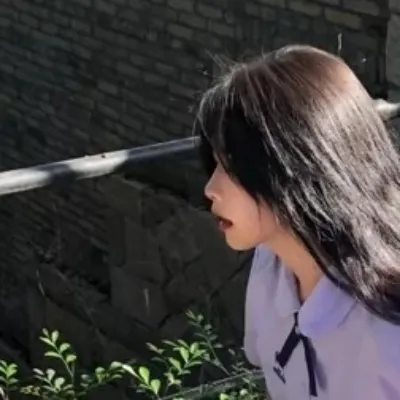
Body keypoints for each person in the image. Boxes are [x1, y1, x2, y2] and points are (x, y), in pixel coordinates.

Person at [194, 44, 400, 399]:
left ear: (297, 167)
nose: (210, 189)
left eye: (230, 165)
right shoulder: (270, 266)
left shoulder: (387, 333)